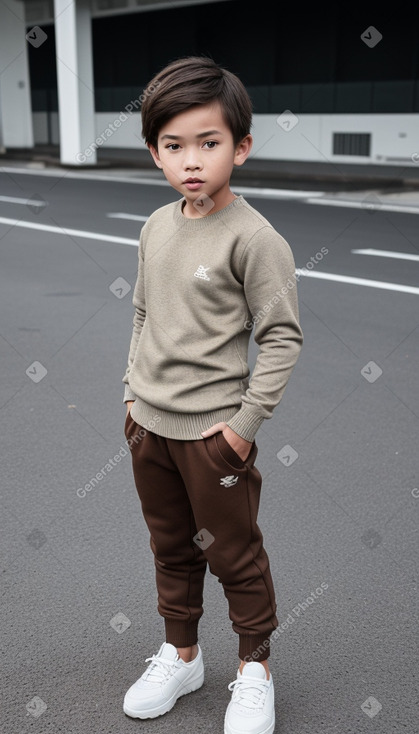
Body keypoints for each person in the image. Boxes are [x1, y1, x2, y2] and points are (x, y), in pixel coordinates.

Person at [121, 55, 303, 734]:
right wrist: (130, 398)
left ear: (241, 146)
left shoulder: (255, 239)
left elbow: (281, 338)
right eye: (173, 146)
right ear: (154, 153)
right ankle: (182, 654)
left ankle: (253, 670)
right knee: (170, 546)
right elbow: (143, 312)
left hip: (211, 438)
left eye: (208, 142)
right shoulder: (155, 226)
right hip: (148, 427)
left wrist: (242, 427)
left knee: (233, 555)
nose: (190, 160)